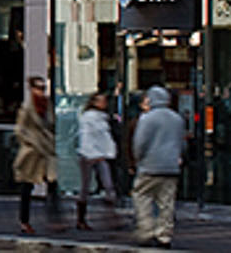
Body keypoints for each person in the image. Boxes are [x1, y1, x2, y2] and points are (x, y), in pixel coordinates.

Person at [131, 85, 186, 249]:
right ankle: (164, 235)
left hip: (150, 165)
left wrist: (138, 159)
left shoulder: (147, 118)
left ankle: (146, 231)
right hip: (171, 166)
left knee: (142, 196)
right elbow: (182, 143)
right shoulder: (177, 119)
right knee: (167, 203)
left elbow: (140, 142)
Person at [15, 75, 61, 232]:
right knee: (27, 187)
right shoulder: (26, 107)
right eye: (39, 88)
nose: (42, 91)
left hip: (47, 150)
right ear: (32, 89)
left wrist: (51, 140)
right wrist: (30, 142)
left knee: (53, 183)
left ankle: (54, 219)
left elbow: (52, 124)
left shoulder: (48, 105)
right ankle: (24, 221)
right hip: (32, 152)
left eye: (44, 88)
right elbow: (20, 129)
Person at [76, 89, 119, 227]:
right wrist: (91, 153)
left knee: (108, 184)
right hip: (89, 155)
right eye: (101, 101)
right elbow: (87, 137)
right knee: (86, 186)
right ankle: (81, 218)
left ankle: (111, 215)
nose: (104, 103)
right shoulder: (89, 118)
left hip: (100, 155)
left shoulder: (103, 118)